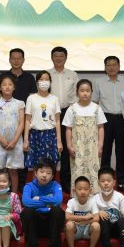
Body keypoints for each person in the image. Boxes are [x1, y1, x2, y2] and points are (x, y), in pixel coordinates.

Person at [0, 48, 36, 188]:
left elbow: (32, 99)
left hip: (23, 119)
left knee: (19, 155)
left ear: (23, 60)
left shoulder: (29, 78)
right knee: (2, 160)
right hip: (3, 121)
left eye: (19, 58)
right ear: (9, 60)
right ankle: (3, 187)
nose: (16, 61)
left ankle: (20, 187)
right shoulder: (3, 76)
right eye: (14, 58)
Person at [63, 79, 106, 192]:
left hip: (93, 147)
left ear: (91, 92)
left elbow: (101, 127)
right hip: (77, 147)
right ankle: (77, 194)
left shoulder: (97, 108)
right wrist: (69, 146)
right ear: (77, 92)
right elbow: (68, 128)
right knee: (77, 170)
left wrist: (100, 146)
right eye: (82, 90)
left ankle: (94, 193)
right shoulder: (72, 109)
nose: (85, 93)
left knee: (93, 170)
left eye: (87, 90)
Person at [22, 158, 65, 247]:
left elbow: (58, 201)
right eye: (41, 171)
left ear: (53, 176)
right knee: (27, 211)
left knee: (58, 211)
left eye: (48, 173)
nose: (44, 175)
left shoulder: (56, 186)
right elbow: (26, 202)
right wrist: (48, 203)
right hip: (34, 225)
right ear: (35, 173)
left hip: (51, 225)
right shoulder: (29, 186)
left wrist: (39, 198)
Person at [94, 56, 124, 191]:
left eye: (114, 65)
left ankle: (121, 182)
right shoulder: (99, 82)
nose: (112, 67)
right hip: (105, 119)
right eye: (108, 65)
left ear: (119, 67)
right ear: (105, 67)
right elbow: (95, 102)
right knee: (105, 152)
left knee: (121, 152)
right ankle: (104, 182)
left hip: (122, 119)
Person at [47, 46, 79, 193]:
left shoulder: (72, 74)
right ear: (52, 57)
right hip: (50, 113)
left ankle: (66, 183)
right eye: (56, 56)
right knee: (51, 149)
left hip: (68, 111)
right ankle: (49, 182)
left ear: (66, 58)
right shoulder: (47, 74)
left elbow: (77, 94)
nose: (58, 58)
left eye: (61, 56)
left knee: (67, 148)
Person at [0, 75, 26, 192]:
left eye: (10, 84)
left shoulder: (19, 103)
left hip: (15, 141)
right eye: (4, 85)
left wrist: (14, 141)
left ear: (14, 87)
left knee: (13, 170)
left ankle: (13, 195)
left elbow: (21, 123)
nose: (7, 87)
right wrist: (2, 141)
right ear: (0, 87)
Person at [24, 70, 62, 174]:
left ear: (50, 82)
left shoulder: (54, 99)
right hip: (35, 135)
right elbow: (27, 120)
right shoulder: (31, 98)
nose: (44, 81)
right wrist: (26, 140)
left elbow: (57, 120)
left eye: (47, 79)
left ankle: (50, 184)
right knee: (36, 166)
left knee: (50, 165)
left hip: (50, 135)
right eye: (41, 79)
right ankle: (35, 185)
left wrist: (59, 141)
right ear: (37, 82)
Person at [64, 175, 101, 247]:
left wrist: (85, 221)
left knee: (96, 225)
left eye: (86, 189)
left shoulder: (92, 201)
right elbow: (67, 217)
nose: (83, 192)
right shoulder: (72, 202)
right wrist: (84, 217)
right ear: (74, 191)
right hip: (76, 230)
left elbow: (97, 218)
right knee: (69, 224)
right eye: (79, 189)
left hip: (88, 230)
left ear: (90, 191)